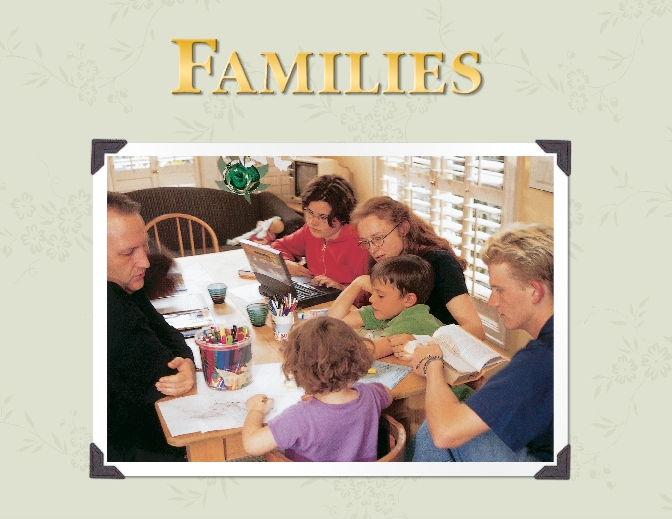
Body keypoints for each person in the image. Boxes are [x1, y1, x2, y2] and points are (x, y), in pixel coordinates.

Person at [406, 223, 554, 462]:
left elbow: (445, 433)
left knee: (434, 430)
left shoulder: (540, 358)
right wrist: (483, 385)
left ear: (535, 291)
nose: (493, 301)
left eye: (499, 290)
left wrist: (433, 366)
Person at [107, 191, 196, 462]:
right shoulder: (109, 307)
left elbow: (166, 331)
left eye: (144, 246)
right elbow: (164, 371)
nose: (145, 261)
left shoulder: (122, 285)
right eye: (128, 252)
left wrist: (187, 361)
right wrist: (183, 365)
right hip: (134, 450)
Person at [241, 317, 393, 462]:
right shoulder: (370, 394)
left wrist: (256, 411)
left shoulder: (300, 417)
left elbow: (252, 444)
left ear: (297, 369)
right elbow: (388, 394)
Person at [351, 196, 485, 341]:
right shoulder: (383, 259)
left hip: (444, 352)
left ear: (403, 228)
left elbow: (476, 330)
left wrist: (419, 341)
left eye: (378, 238)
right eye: (366, 242)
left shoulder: (441, 263)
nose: (372, 249)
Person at [327, 255, 444, 358]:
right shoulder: (389, 310)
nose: (371, 299)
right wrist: (358, 283)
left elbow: (362, 354)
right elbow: (335, 321)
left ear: (408, 299)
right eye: (373, 292)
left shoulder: (413, 319)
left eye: (380, 295)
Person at [271, 174, 370, 290]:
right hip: (317, 296)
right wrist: (286, 263)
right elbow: (278, 246)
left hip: (348, 304)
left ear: (342, 217)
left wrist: (341, 288)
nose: (313, 222)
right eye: (310, 212)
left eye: (322, 217)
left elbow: (369, 292)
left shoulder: (359, 244)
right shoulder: (310, 231)